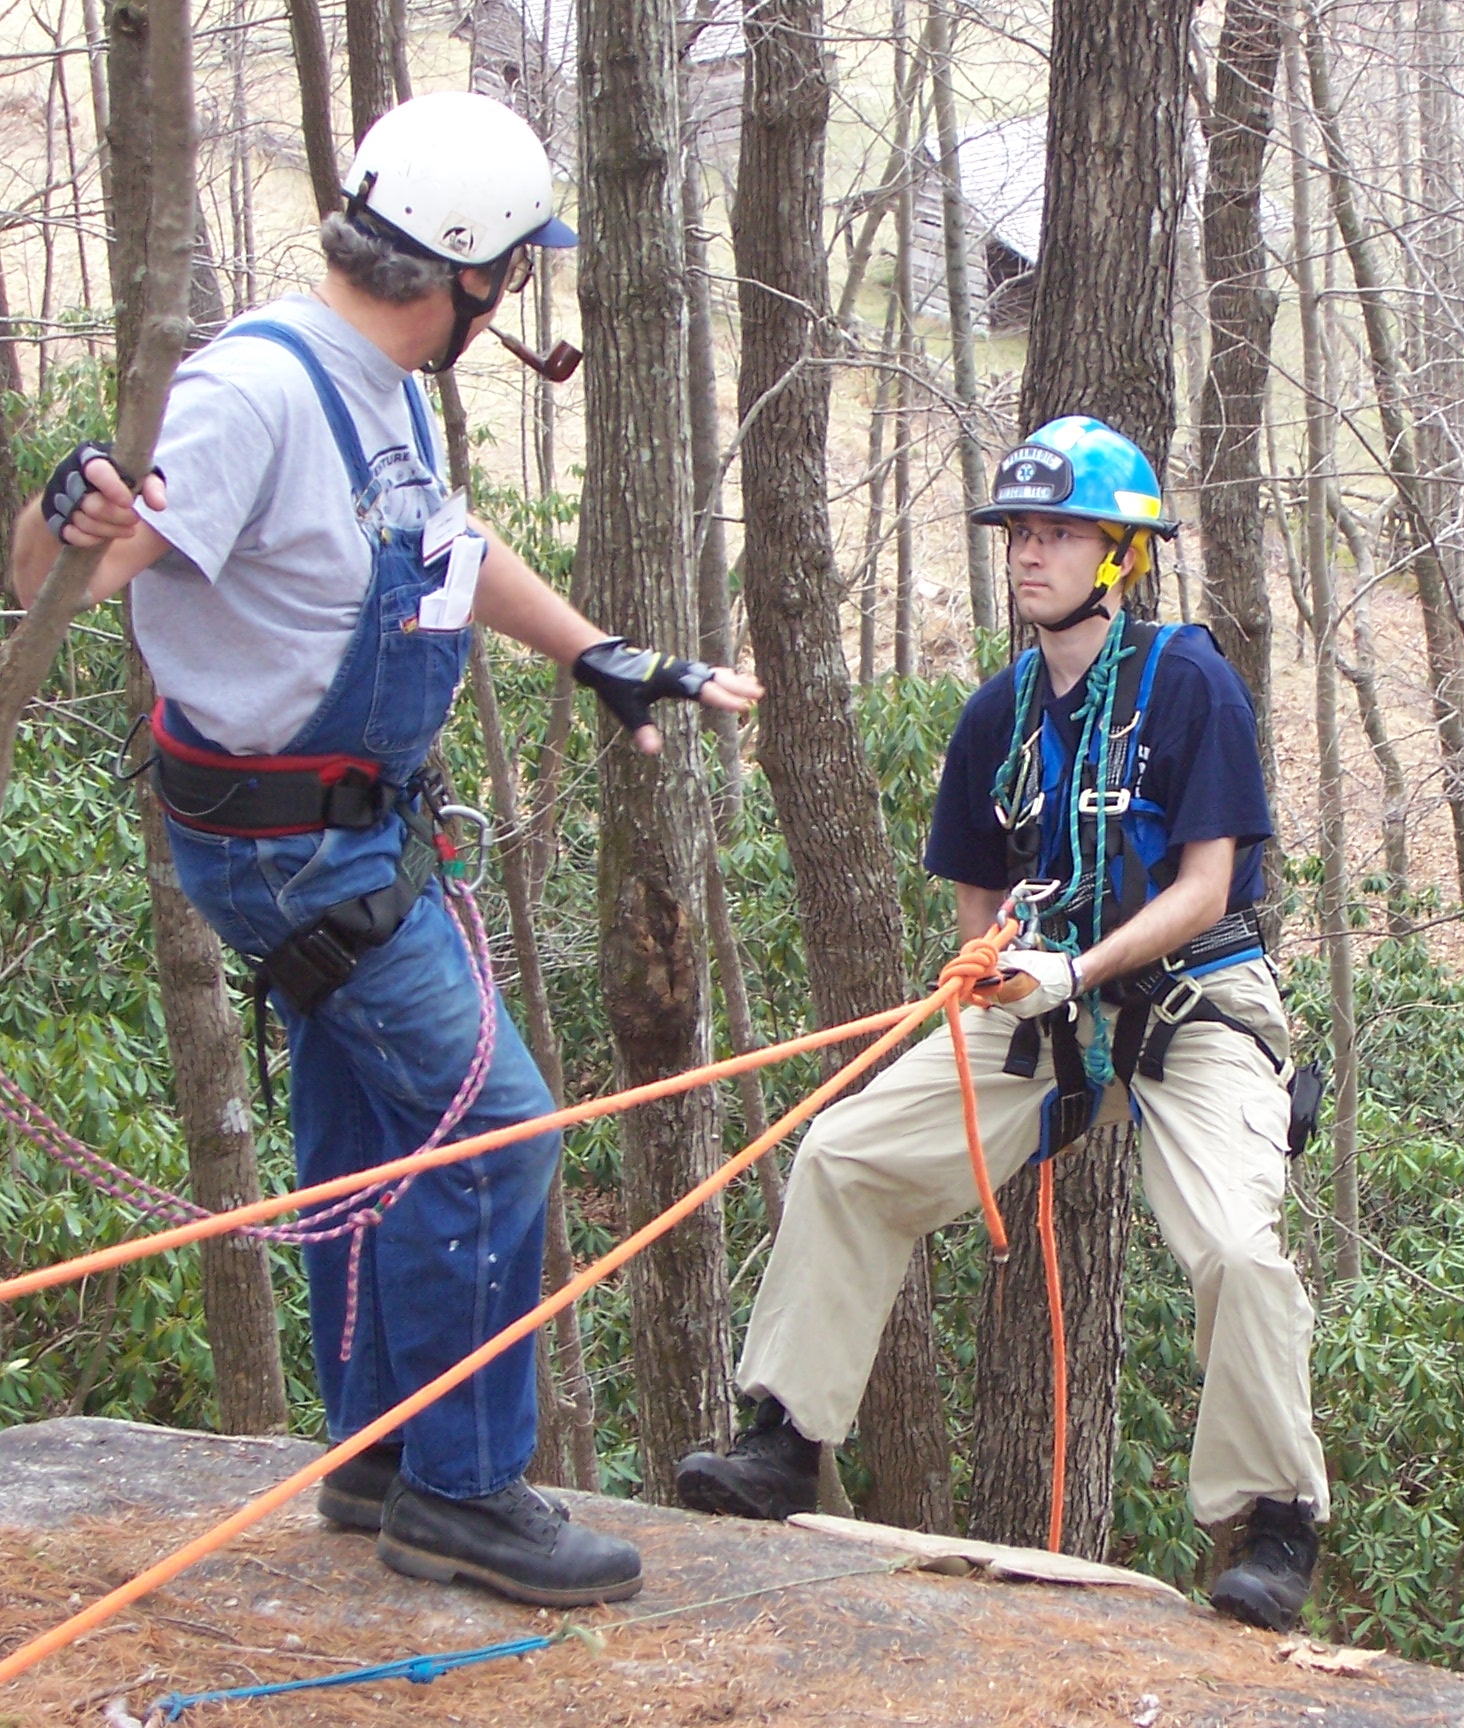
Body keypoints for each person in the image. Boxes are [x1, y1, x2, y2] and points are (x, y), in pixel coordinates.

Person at [9, 91, 762, 1607]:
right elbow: (68, 582)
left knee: (370, 1133)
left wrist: (597, 652)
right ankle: (461, 1493)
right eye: (517, 267)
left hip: (356, 834)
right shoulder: (258, 393)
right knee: (498, 1130)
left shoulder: (388, 386)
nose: (519, 290)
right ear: (472, 272)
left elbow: (447, 552)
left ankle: (376, 1456)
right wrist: (63, 508)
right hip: (295, 850)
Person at [673, 416, 1330, 1633]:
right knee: (844, 1156)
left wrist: (1074, 970)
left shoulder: (1189, 684)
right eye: (1021, 530)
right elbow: (981, 905)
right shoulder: (997, 717)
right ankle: (786, 1439)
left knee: (1237, 1252)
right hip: (1046, 1008)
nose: (1030, 552)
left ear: (1121, 554)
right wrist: (1003, 971)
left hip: (1196, 1005)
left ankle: (1274, 1520)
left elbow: (1204, 888)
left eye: (1060, 532)